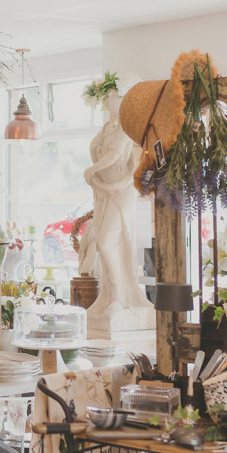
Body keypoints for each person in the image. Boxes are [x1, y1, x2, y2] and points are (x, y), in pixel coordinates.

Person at [84, 88, 154, 330]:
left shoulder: (124, 128)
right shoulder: (107, 127)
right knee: (104, 248)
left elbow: (113, 157)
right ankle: (110, 295)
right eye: (105, 95)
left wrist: (90, 171)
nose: (106, 99)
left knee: (106, 241)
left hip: (120, 192)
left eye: (111, 94)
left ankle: (120, 297)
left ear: (121, 99)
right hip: (103, 191)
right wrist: (97, 179)